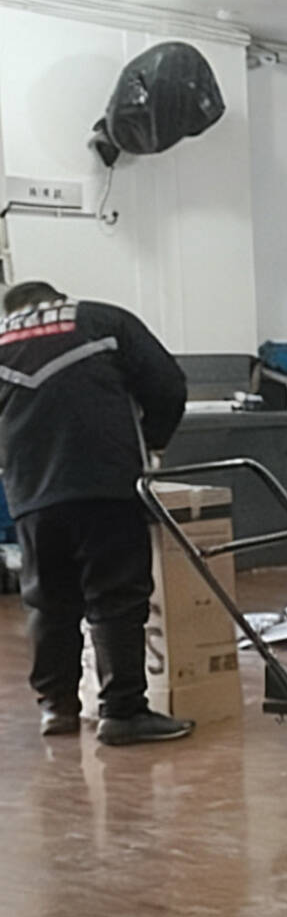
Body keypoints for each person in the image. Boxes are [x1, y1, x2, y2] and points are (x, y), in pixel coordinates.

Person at [0, 278, 191, 744]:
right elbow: (168, 384)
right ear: (55, 298)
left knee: (48, 599)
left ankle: (57, 707)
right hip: (105, 481)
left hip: (32, 494)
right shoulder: (104, 320)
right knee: (117, 594)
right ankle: (122, 712)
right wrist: (153, 443)